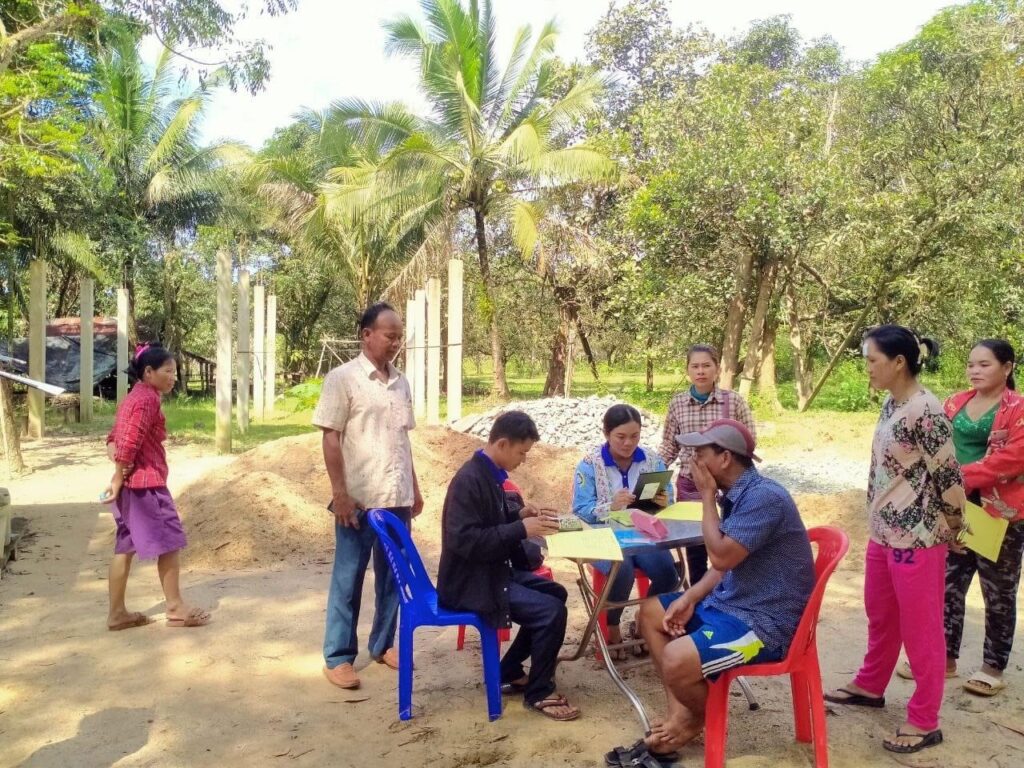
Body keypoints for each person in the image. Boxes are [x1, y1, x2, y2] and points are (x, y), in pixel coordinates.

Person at [606, 419, 814, 767]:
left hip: (764, 623)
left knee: (676, 659)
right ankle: (680, 714)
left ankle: (694, 722)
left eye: (701, 454)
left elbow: (719, 557)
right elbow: (724, 565)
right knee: (652, 612)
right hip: (734, 603)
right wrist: (689, 597)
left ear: (725, 458)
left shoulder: (764, 498)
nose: (693, 461)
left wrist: (705, 496)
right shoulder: (739, 494)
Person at [825, 325, 965, 755]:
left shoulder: (927, 411)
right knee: (881, 615)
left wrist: (956, 526)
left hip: (918, 539)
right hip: (884, 534)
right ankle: (871, 684)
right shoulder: (891, 403)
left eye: (872, 360)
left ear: (899, 362)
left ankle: (924, 719)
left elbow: (948, 477)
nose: (867, 368)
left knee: (921, 630)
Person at [437, 411, 581, 721]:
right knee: (551, 612)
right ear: (502, 444)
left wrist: (519, 515)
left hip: (490, 571)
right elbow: (465, 541)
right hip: (470, 582)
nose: (523, 460)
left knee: (556, 593)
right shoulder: (469, 480)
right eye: (521, 452)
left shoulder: (489, 475)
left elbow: (489, 524)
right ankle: (539, 692)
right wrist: (520, 529)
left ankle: (510, 669)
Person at [313, 302, 424, 690]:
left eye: (399, 337)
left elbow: (402, 439)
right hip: (358, 501)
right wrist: (340, 493)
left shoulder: (401, 383)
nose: (395, 343)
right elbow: (331, 437)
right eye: (389, 336)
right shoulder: (342, 379)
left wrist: (414, 488)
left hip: (397, 497)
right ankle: (339, 657)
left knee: (394, 578)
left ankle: (383, 644)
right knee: (349, 578)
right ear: (366, 334)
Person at [901, 339, 1023, 696]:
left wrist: (956, 476)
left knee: (997, 591)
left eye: (985, 364)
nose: (975, 371)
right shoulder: (954, 402)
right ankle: (945, 658)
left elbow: (1012, 458)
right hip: (954, 508)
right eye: (971, 364)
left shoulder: (1018, 409)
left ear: (1007, 368)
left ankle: (992, 667)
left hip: (998, 513)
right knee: (948, 585)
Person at [103, 343, 210, 630]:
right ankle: (175, 607)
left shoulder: (133, 397)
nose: (173, 377)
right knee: (170, 542)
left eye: (175, 371)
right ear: (148, 372)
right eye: (168, 371)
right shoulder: (147, 400)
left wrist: (118, 473)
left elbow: (114, 439)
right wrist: (118, 476)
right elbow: (127, 445)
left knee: (125, 547)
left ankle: (117, 613)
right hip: (146, 486)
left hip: (131, 487)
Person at [572, 404, 678, 659]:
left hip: (642, 535)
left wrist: (658, 503)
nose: (628, 443)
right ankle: (612, 627)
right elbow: (579, 511)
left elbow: (668, 499)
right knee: (622, 570)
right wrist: (611, 505)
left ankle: (644, 621)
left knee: (668, 573)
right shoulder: (590, 464)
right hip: (602, 536)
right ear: (606, 434)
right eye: (620, 436)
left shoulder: (651, 460)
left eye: (634, 436)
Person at [659, 345, 756, 587]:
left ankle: (728, 595)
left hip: (728, 487)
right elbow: (669, 446)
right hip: (691, 485)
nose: (700, 371)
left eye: (706, 365)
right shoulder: (678, 403)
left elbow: (748, 443)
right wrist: (651, 473)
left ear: (717, 369)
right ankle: (699, 598)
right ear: (688, 370)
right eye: (695, 366)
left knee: (730, 544)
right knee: (695, 548)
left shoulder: (733, 402)